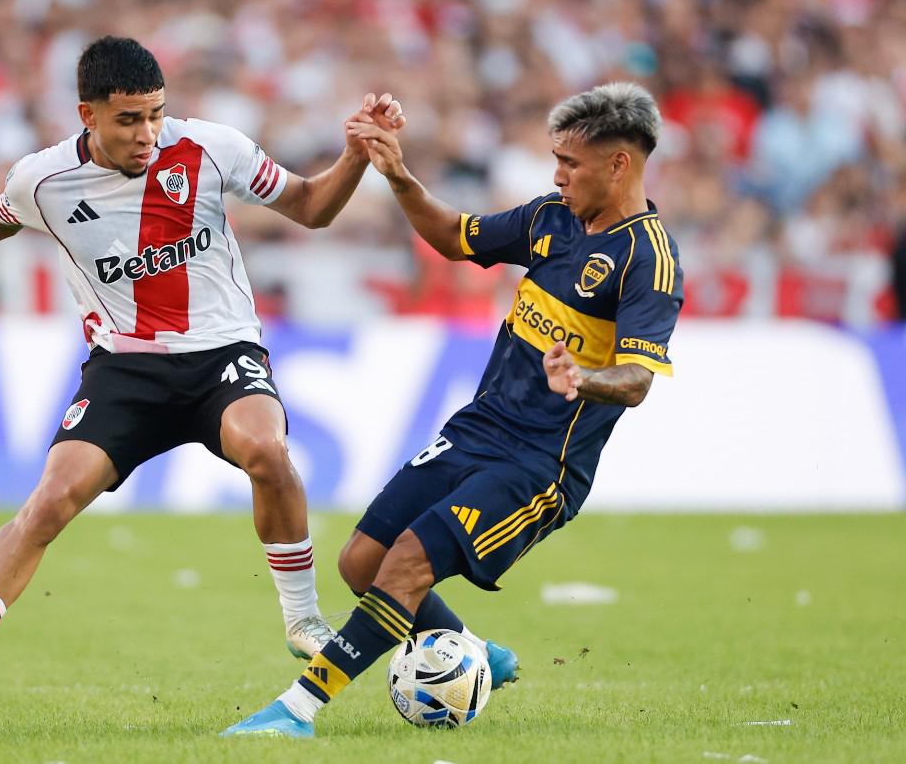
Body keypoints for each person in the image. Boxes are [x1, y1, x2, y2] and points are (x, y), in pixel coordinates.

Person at [0, 36, 404, 733]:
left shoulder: (213, 147)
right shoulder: (43, 180)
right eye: (129, 119)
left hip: (221, 351)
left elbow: (312, 208)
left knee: (266, 448)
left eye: (156, 114)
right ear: (88, 115)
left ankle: (303, 619)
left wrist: (355, 155)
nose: (147, 133)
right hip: (125, 369)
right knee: (47, 504)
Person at [223, 82, 683, 738]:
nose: (557, 175)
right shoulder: (549, 218)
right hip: (478, 428)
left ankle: (296, 710)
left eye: (570, 163)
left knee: (407, 561)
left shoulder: (649, 260)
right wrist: (398, 174)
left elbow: (637, 378)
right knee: (361, 561)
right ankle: (478, 651)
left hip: (540, 464)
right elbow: (453, 236)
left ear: (619, 164)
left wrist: (584, 377)